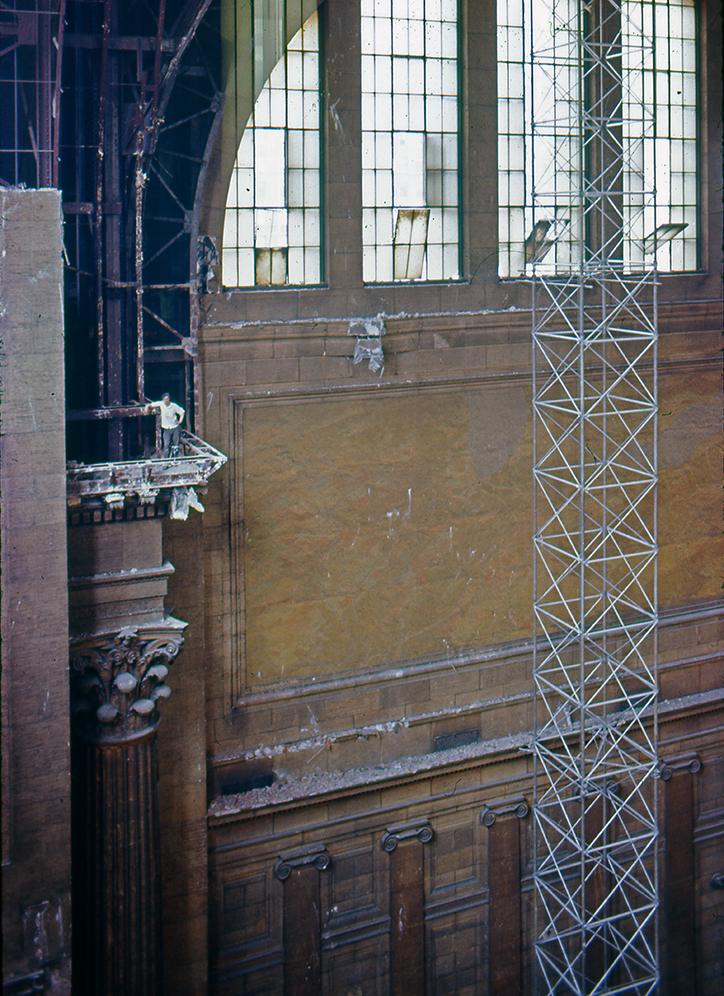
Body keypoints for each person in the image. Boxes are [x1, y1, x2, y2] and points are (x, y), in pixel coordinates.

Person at [146, 393, 185, 457]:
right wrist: (147, 407)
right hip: (167, 428)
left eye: (167, 399)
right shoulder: (161, 404)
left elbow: (182, 412)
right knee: (166, 445)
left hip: (175, 427)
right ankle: (166, 460)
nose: (166, 401)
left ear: (169, 399)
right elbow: (151, 405)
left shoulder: (173, 406)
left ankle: (175, 459)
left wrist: (180, 421)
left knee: (176, 445)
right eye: (164, 399)